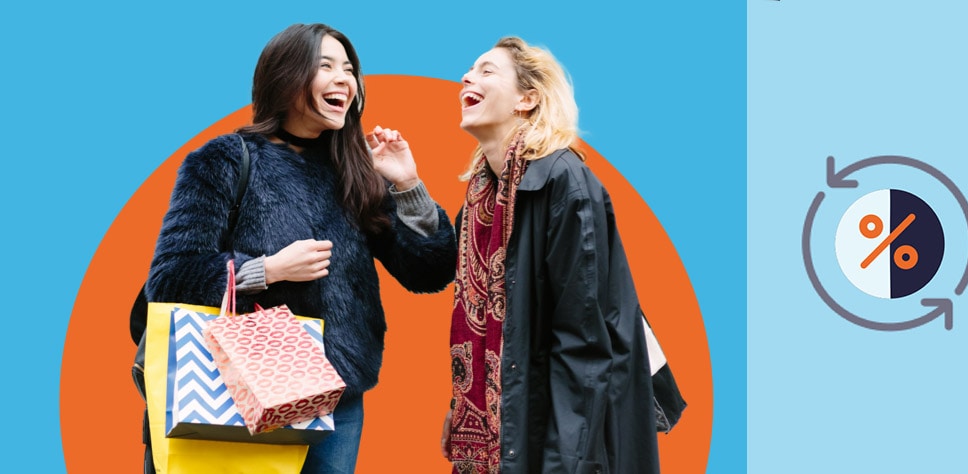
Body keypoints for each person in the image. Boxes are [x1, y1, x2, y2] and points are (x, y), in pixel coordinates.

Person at [143, 23, 457, 474]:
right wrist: (266, 270)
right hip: (241, 389)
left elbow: (429, 271)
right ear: (286, 76)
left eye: (349, 69)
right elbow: (170, 276)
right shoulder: (226, 159)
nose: (343, 80)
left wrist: (407, 184)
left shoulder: (354, 173)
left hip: (337, 399)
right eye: (325, 65)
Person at [440, 37, 667, 473]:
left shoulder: (562, 181)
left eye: (487, 70)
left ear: (527, 98)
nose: (467, 78)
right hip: (504, 432)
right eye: (470, 70)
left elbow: (583, 342)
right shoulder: (481, 199)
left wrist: (567, 462)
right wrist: (462, 408)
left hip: (553, 441)